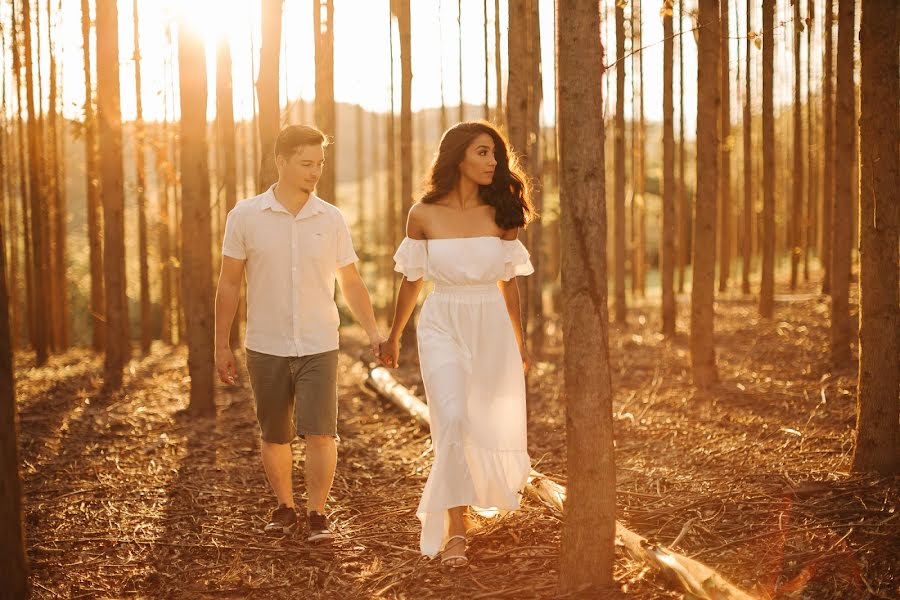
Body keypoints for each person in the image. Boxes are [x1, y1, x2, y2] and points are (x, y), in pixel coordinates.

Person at [214, 125, 383, 543]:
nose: (315, 171)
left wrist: (375, 331)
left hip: (319, 343)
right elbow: (229, 284)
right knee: (275, 433)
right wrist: (221, 343)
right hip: (265, 344)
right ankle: (285, 508)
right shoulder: (245, 216)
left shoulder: (331, 218)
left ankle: (318, 513)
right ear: (281, 162)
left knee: (322, 432)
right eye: (306, 163)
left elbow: (351, 283)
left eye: (320, 163)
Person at [379, 121, 536, 567]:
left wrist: (519, 342)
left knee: (482, 419)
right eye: (483, 153)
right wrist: (393, 336)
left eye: (495, 156)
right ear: (458, 157)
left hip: (489, 322)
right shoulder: (423, 214)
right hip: (442, 319)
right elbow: (411, 282)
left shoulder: (502, 213)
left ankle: (477, 495)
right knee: (449, 419)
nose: (492, 162)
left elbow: (509, 285)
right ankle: (456, 531)